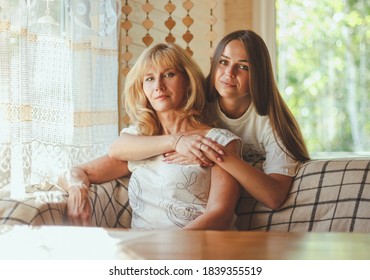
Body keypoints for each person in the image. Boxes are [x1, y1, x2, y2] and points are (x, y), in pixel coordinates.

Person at [109, 30, 310, 210]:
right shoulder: (195, 101)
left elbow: (274, 197)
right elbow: (127, 148)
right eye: (223, 62)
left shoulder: (273, 123)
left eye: (243, 67)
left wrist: (213, 154)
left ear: (258, 74)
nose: (229, 73)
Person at [59, 43, 242, 229]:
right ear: (142, 88)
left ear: (187, 81)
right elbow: (79, 171)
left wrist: (166, 251)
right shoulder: (141, 145)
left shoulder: (219, 140)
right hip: (143, 250)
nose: (158, 86)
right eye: (149, 78)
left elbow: (221, 214)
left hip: (197, 250)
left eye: (169, 74)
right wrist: (77, 189)